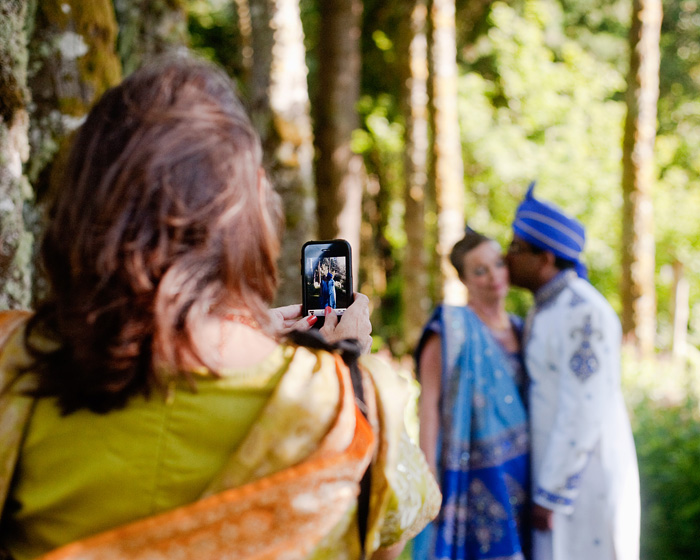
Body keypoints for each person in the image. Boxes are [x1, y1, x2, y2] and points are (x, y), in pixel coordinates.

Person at [0, 54, 440, 560]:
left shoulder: (14, 367)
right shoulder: (353, 404)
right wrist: (341, 366)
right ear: (250, 211)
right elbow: (384, 543)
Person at [504, 183, 640, 560]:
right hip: (557, 476)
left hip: (583, 481)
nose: (507, 257)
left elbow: (584, 406)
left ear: (545, 258)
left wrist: (551, 491)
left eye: (516, 248)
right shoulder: (546, 308)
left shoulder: (583, 313)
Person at [412, 228, 530, 560]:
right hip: (470, 473)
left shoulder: (524, 328)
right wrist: (428, 473)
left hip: (523, 469)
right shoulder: (449, 331)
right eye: (480, 270)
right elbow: (430, 405)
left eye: (498, 264)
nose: (494, 276)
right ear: (464, 279)